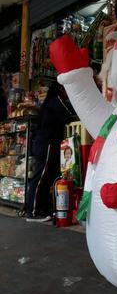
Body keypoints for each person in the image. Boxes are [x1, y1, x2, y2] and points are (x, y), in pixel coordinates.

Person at [26, 81, 75, 222]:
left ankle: (41, 209)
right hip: (46, 143)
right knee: (41, 176)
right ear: (61, 89)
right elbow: (68, 115)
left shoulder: (50, 102)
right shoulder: (56, 101)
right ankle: (32, 212)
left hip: (46, 143)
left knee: (48, 177)